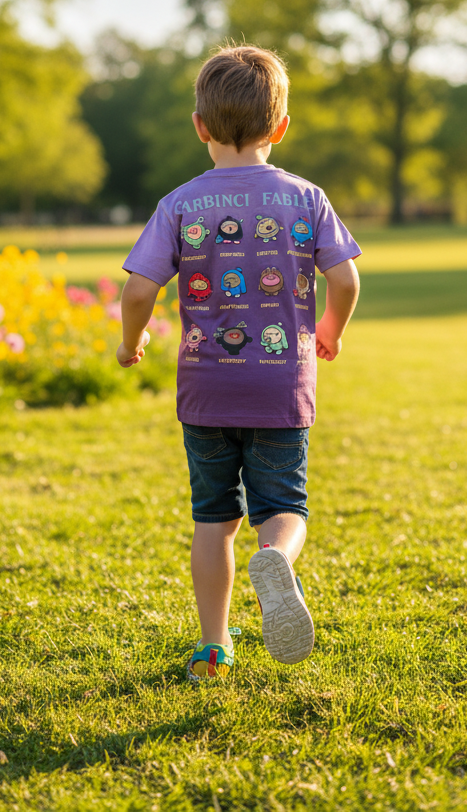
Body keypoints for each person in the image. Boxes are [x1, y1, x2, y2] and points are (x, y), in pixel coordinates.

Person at [116, 45, 361, 682]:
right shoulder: (306, 199)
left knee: (213, 520)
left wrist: (129, 341)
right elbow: (346, 278)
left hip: (206, 391)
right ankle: (276, 556)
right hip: (281, 387)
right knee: (284, 506)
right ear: (280, 128)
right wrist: (329, 329)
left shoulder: (178, 204)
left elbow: (140, 289)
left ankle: (213, 646)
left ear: (199, 126)